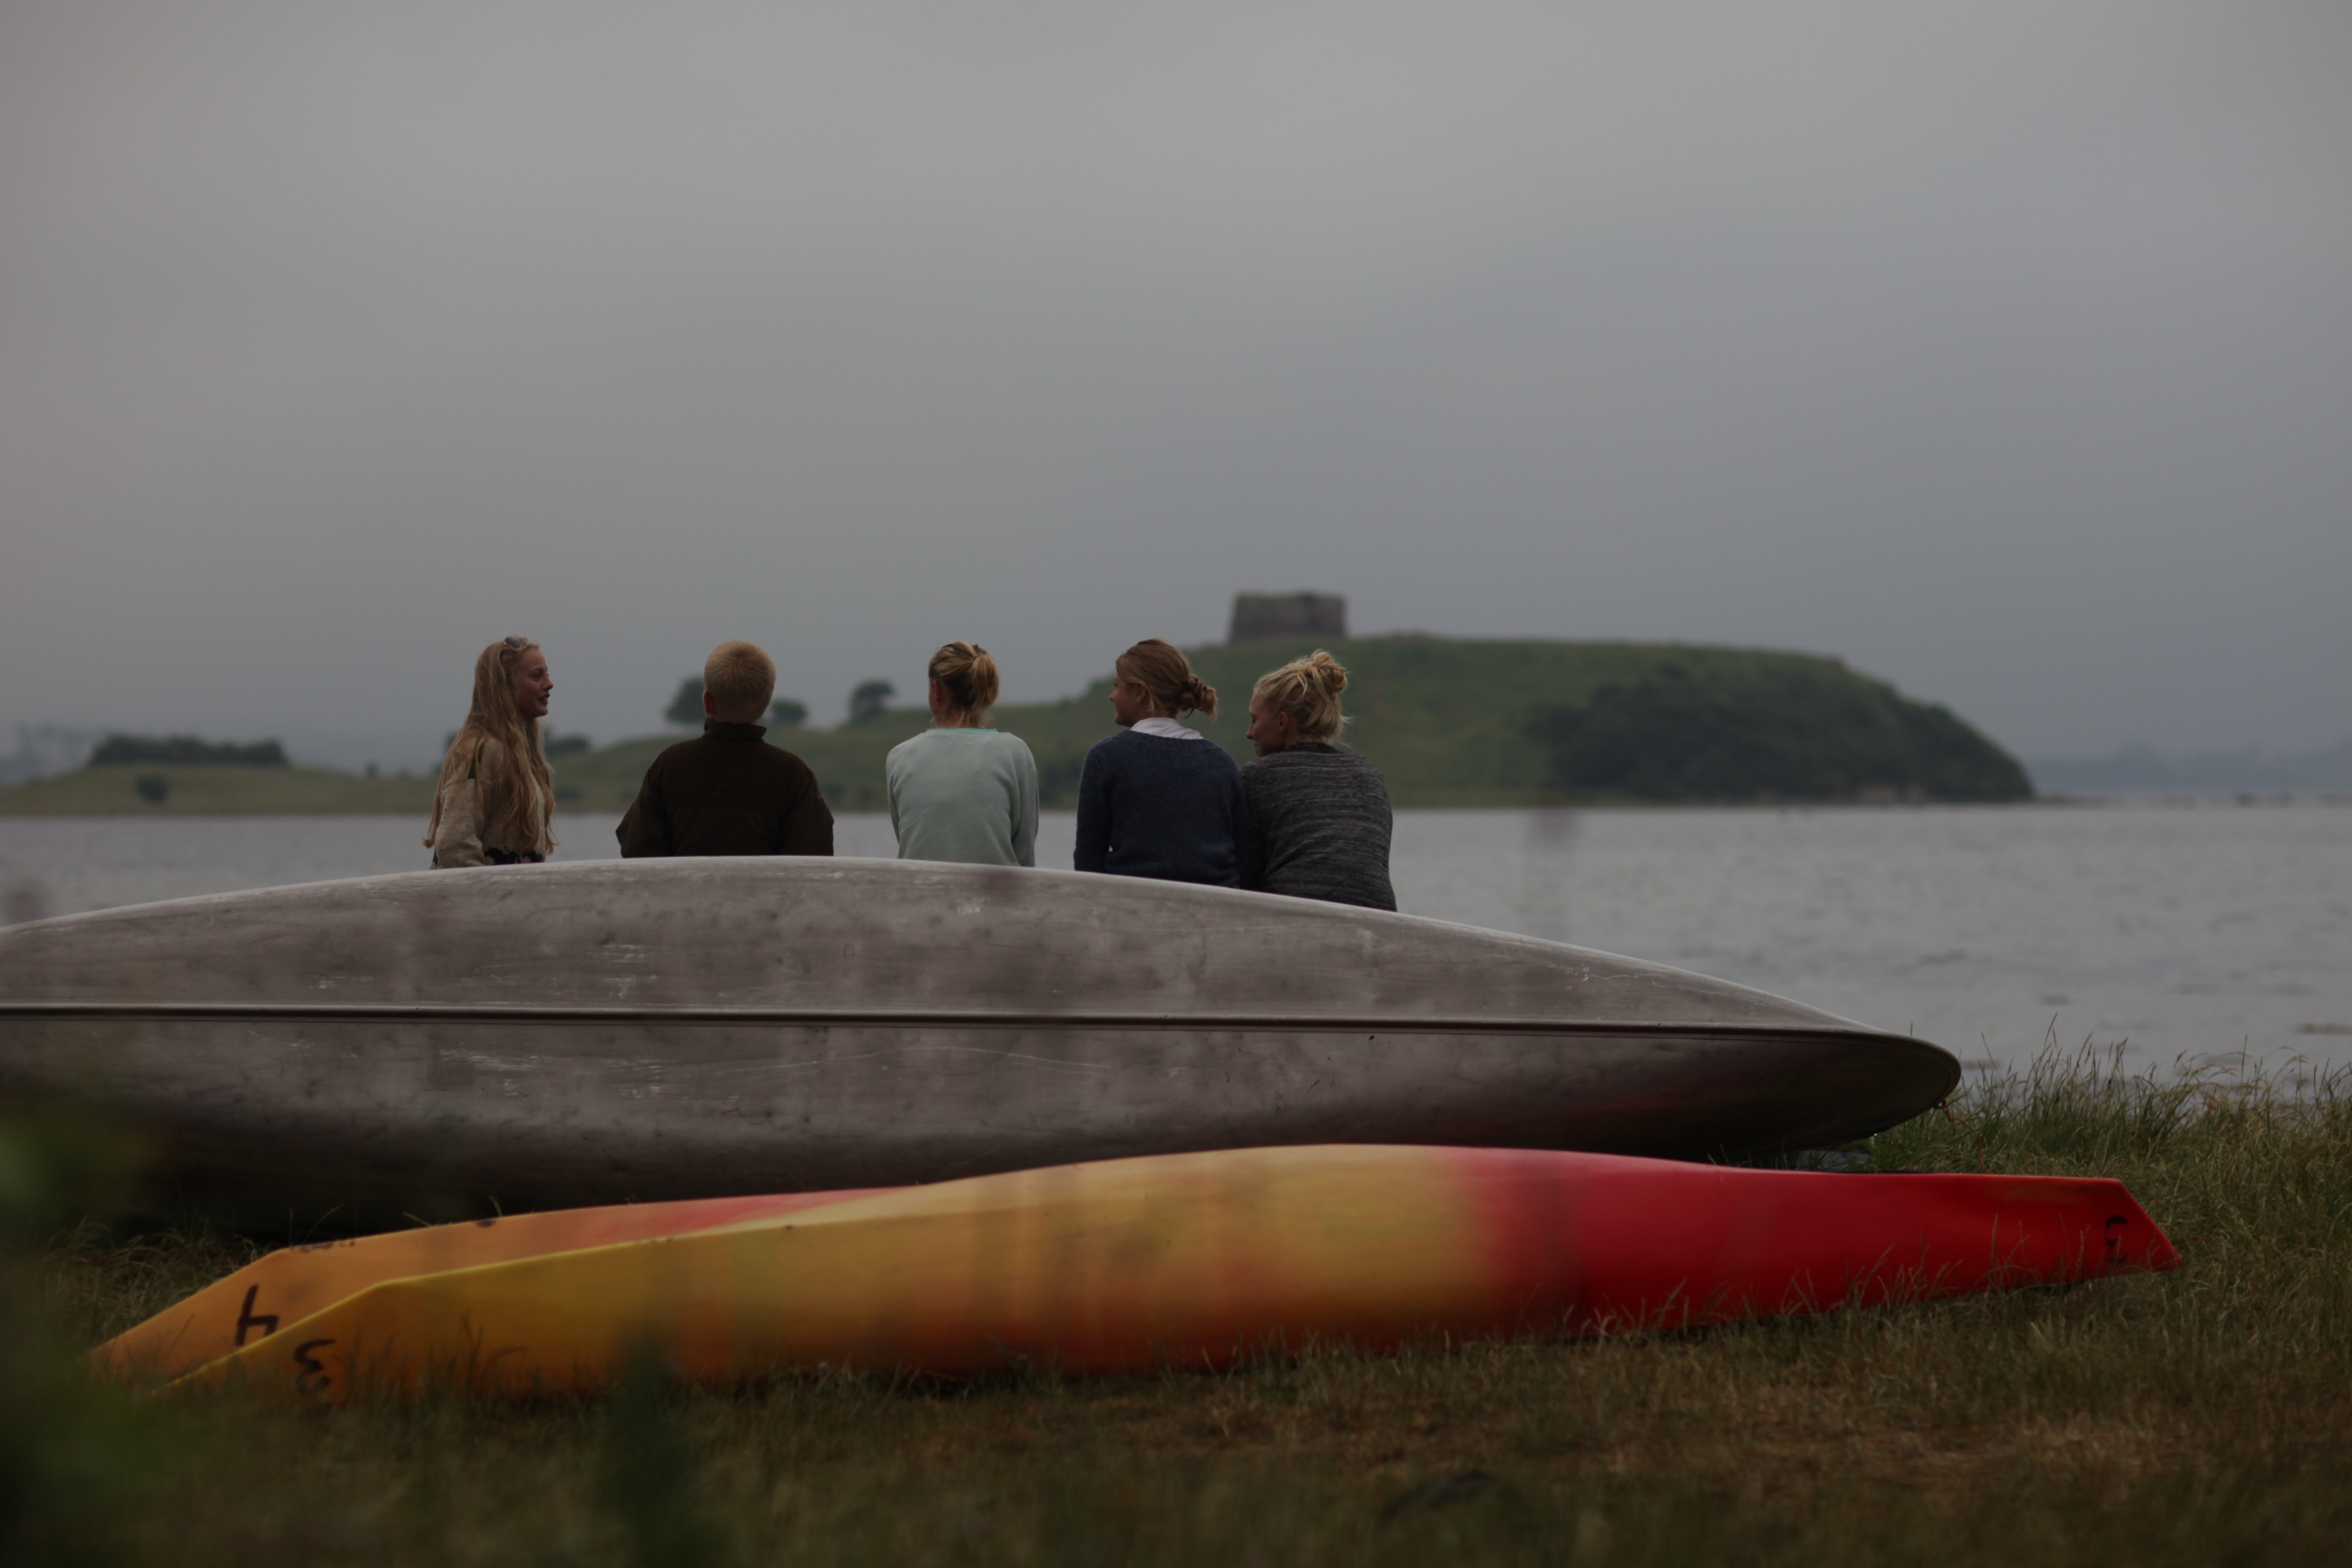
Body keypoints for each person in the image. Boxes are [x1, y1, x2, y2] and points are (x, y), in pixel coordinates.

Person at [617, 640, 834, 857]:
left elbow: (637, 849)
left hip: (686, 892)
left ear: (708, 702)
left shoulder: (670, 765)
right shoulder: (791, 773)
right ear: (765, 702)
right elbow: (814, 857)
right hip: (765, 892)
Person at [1073, 638, 1246, 885]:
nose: (1112, 696)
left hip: (1134, 911)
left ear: (1140, 692)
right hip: (1215, 914)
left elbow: (1088, 862)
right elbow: (1244, 858)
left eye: (1117, 686)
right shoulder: (1221, 762)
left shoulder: (1106, 758)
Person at [1239, 650, 1396, 910]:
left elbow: (1248, 876)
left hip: (1295, 916)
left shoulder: (1257, 777)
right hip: (1377, 917)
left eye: (1255, 720)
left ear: (1282, 722)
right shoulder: (1370, 777)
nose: (1249, 732)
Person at [886, 642, 1040, 867]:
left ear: (936, 690)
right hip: (996, 900)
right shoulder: (1016, 753)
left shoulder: (899, 757)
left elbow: (908, 840)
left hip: (921, 898)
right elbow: (1024, 850)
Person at [426, 635, 558, 868]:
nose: (549, 684)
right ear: (505, 685)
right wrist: (491, 900)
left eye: (547, 674)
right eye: (537, 676)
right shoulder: (480, 751)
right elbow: (455, 846)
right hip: (483, 902)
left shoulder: (523, 755)